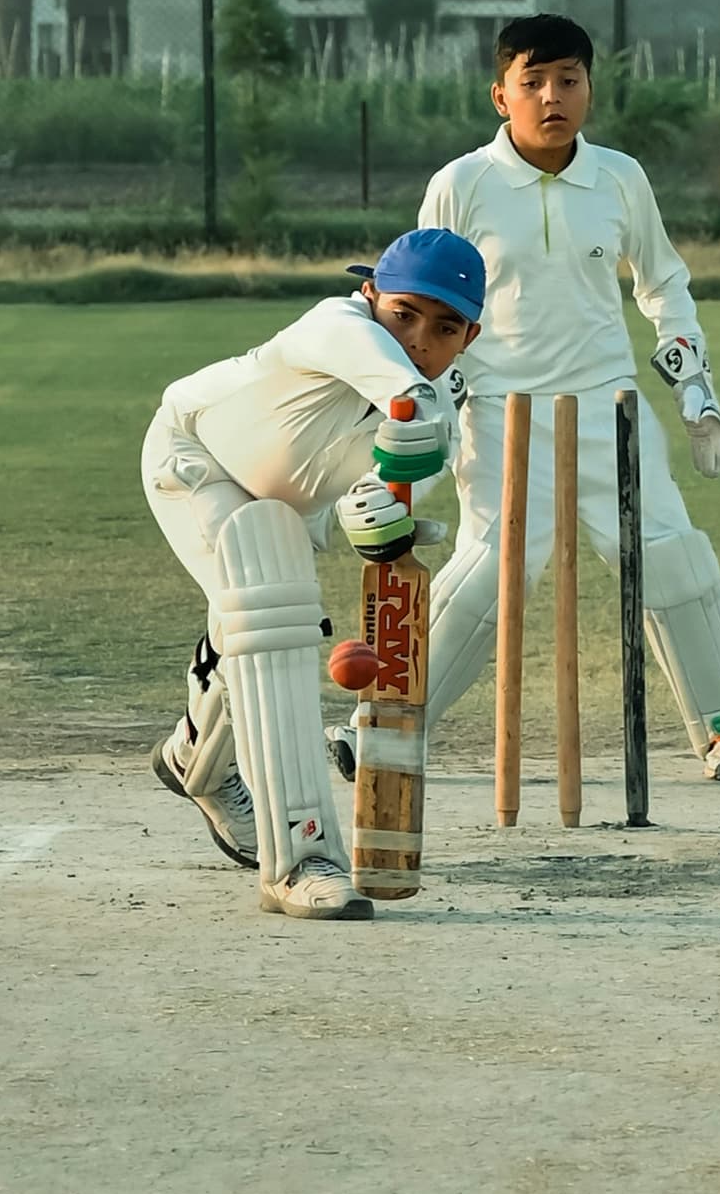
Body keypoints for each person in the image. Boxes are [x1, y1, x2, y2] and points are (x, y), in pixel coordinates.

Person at [417, 13, 720, 778]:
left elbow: (664, 284)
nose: (553, 97)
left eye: (569, 80)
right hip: (501, 411)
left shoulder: (618, 176)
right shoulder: (461, 184)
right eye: (534, 82)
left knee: (670, 557)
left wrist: (695, 391)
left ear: (589, 88)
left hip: (607, 405)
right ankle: (385, 723)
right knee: (486, 572)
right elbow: (425, 306)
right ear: (500, 94)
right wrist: (428, 415)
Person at [139, 228, 484, 918]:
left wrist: (376, 518)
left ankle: (194, 756)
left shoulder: (439, 403)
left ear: (468, 336)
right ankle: (301, 859)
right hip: (195, 455)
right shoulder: (337, 325)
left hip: (286, 498)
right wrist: (416, 428)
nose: (419, 336)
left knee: (256, 618)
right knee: (276, 616)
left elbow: (356, 495)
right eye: (405, 312)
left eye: (445, 327)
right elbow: (405, 400)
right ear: (371, 295)